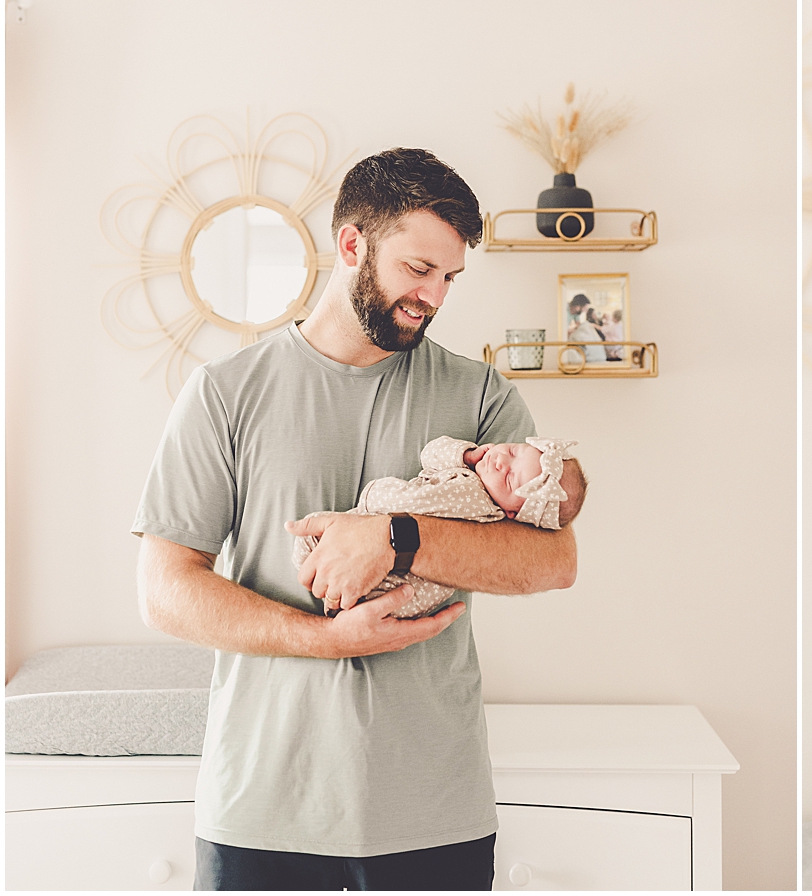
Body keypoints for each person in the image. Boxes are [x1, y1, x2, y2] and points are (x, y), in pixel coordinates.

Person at [133, 148, 585, 891]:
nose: (435, 295)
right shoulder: (224, 394)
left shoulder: (483, 401)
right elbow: (164, 590)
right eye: (418, 269)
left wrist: (397, 536)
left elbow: (551, 562)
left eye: (449, 278)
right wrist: (327, 641)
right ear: (352, 245)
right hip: (262, 809)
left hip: (432, 810)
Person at [290, 435, 585, 620]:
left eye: (510, 479)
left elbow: (411, 503)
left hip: (396, 585)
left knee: (313, 536)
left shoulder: (472, 499)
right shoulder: (477, 477)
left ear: (512, 512)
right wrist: (466, 455)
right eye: (512, 450)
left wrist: (371, 501)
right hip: (407, 600)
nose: (500, 462)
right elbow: (430, 455)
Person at [566, 293, 607, 363]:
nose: (584, 311)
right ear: (578, 306)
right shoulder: (564, 310)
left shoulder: (576, 313)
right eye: (584, 308)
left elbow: (578, 325)